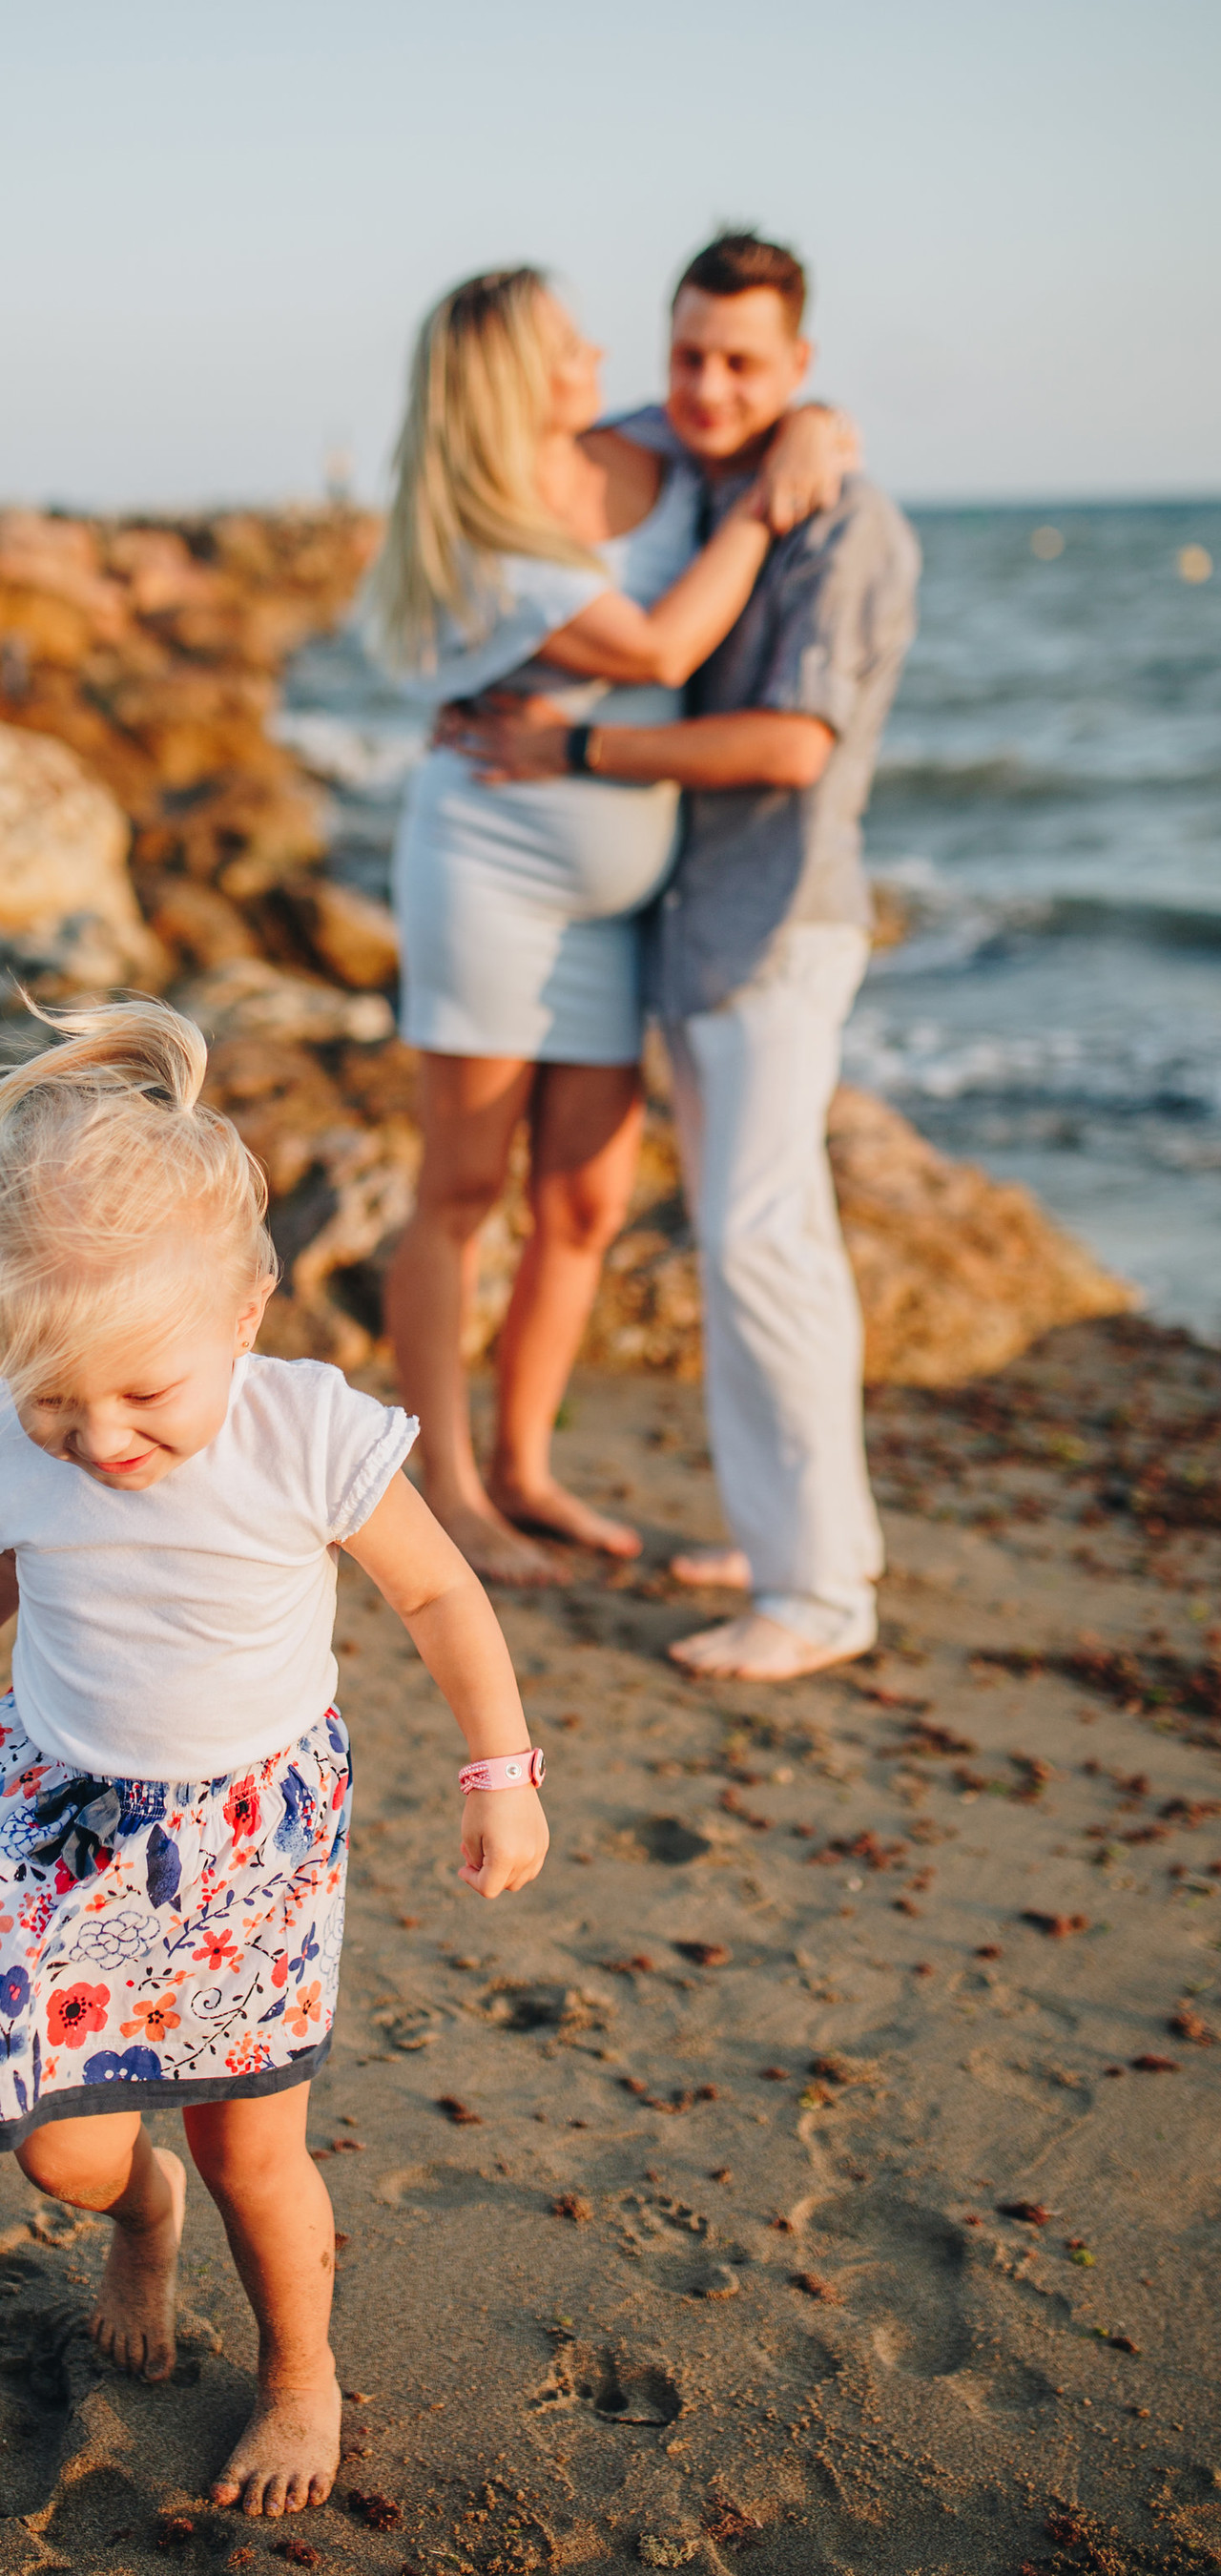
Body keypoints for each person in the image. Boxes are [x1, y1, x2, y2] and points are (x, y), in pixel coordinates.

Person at [0, 998, 548, 2520]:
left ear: (246, 1309)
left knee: (258, 2147)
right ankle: (136, 2213)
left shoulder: (304, 1430)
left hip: (252, 1831)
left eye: (140, 1392)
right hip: (57, 1813)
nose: (101, 1435)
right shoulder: (12, 1439)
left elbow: (440, 1593)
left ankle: (300, 2370)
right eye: (56, 1395)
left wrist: (501, 1771)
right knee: (65, 2155)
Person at [447, 234, 921, 1681]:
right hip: (697, 929)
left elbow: (792, 746)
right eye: (689, 355)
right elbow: (529, 444)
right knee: (773, 1242)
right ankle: (812, 1538)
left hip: (774, 926)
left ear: (800, 371)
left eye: (745, 365)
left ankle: (818, 1599)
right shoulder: (701, 461)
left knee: (760, 1241)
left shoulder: (842, 523)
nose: (709, 387)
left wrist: (570, 744)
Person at [366, 267, 853, 1587]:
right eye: (566, 338)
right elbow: (654, 654)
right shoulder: (485, 525)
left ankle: (528, 1467)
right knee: (462, 1189)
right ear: (518, 374)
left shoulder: (641, 445)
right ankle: (450, 1493)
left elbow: (739, 409)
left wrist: (815, 429)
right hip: (491, 871)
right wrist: (762, 508)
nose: (597, 348)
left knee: (582, 1201)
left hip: (616, 902)